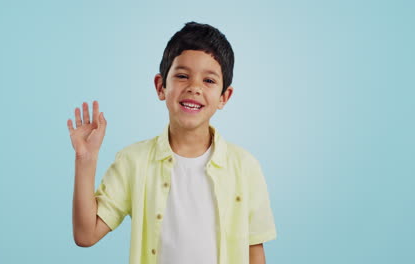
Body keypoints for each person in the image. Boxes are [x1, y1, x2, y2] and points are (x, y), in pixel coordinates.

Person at [68, 21, 277, 264]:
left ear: (224, 97)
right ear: (160, 86)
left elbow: (254, 251)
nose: (194, 87)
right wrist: (86, 159)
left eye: (209, 81)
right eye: (182, 75)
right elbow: (85, 235)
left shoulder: (246, 167)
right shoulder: (133, 161)